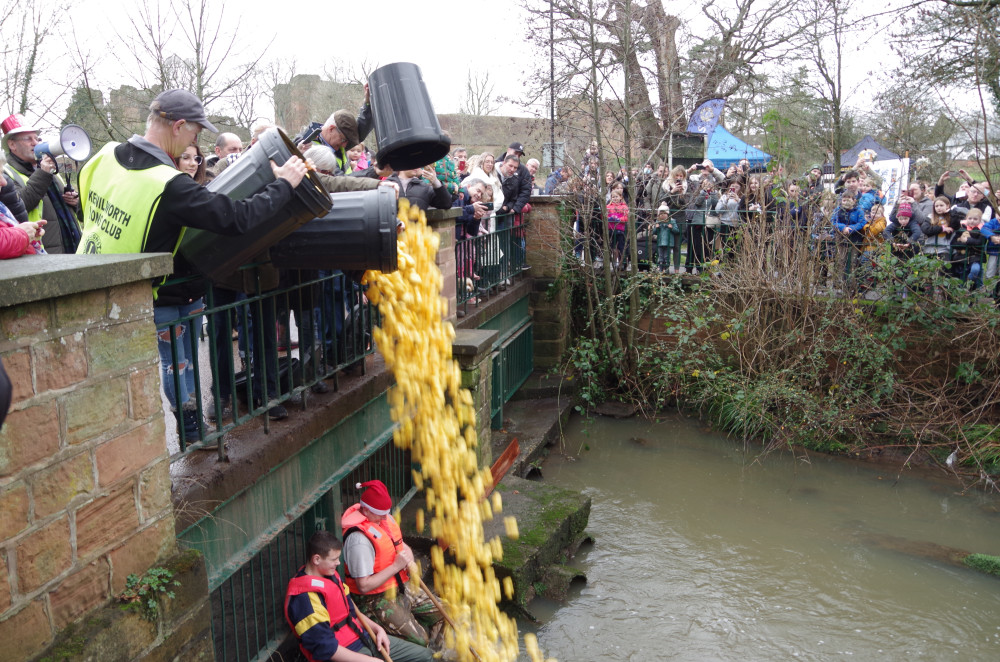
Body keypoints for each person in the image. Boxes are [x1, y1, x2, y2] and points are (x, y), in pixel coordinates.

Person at [76, 89, 308, 424]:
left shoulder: (104, 155)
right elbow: (237, 218)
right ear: (179, 126)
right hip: (133, 300)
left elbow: (86, 215)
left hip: (88, 284)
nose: (193, 141)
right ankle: (188, 428)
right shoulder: (169, 184)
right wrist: (284, 184)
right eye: (195, 134)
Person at [285, 530, 432, 662]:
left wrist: (377, 629)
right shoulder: (304, 598)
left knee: (425, 656)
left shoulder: (330, 575)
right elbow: (326, 649)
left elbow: (353, 613)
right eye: (334, 559)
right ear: (316, 559)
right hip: (345, 652)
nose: (338, 563)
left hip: (363, 637)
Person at [341, 481, 443, 648]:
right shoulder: (359, 541)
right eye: (380, 514)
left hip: (398, 585)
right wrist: (396, 566)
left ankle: (436, 650)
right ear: (365, 510)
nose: (384, 517)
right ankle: (415, 647)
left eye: (386, 513)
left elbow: (400, 545)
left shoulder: (382, 518)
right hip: (374, 599)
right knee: (419, 640)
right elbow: (364, 586)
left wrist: (409, 560)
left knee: (446, 611)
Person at [2, 113, 81, 253]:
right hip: (41, 252)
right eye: (28, 139)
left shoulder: (51, 173)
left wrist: (76, 203)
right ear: (12, 144)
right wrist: (43, 173)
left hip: (69, 247)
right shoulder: (6, 174)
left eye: (37, 138)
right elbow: (19, 206)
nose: (35, 143)